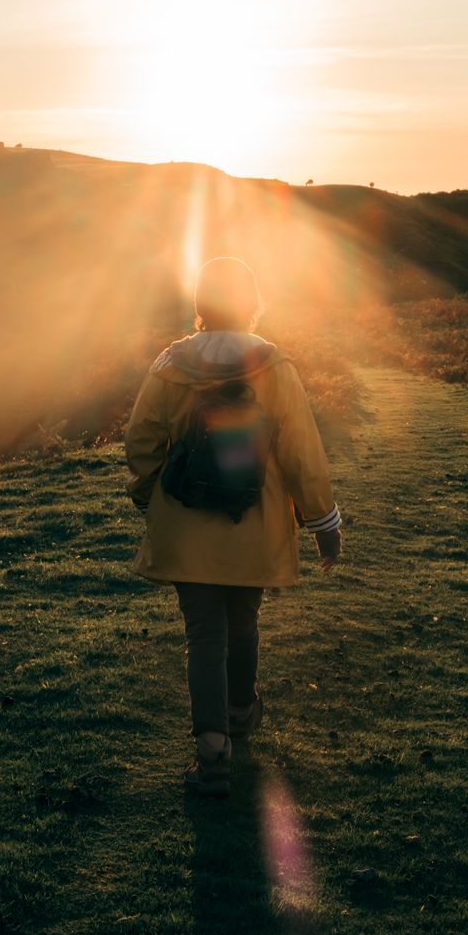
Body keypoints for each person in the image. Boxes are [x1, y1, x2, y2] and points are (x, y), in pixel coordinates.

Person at [124, 256, 342, 796]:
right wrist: (322, 522)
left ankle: (212, 752)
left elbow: (141, 440)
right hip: (255, 524)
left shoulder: (169, 366)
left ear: (200, 305)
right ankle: (242, 712)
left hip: (187, 524)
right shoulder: (276, 367)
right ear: (250, 302)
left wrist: (151, 494)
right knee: (244, 622)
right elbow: (302, 452)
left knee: (204, 635)